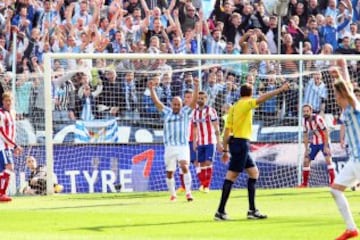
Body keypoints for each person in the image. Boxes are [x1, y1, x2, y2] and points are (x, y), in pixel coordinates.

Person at [214, 82, 290, 220]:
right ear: (250, 93)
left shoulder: (234, 107)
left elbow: (227, 130)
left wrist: (225, 149)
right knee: (231, 177)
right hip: (241, 143)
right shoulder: (246, 103)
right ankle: (220, 211)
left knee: (254, 173)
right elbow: (262, 99)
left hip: (236, 143)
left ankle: (252, 210)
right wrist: (280, 90)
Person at [149, 77, 199, 202]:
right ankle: (173, 194)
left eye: (178, 104)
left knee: (184, 166)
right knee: (170, 172)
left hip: (182, 146)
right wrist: (151, 89)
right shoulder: (167, 112)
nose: (176, 106)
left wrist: (197, 87)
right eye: (175, 104)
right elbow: (157, 103)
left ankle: (188, 193)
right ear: (172, 104)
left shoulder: (186, 112)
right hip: (170, 146)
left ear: (182, 105)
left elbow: (193, 103)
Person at [330, 71, 359, 240]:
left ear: (342, 95)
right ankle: (351, 229)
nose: (335, 97)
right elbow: (346, 84)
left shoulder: (356, 107)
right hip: (354, 160)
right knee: (335, 190)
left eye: (336, 94)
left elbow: (349, 92)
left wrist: (340, 76)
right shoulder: (347, 110)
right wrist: (339, 73)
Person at [192, 91, 222, 193]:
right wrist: (195, 142)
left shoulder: (211, 111)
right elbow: (195, 128)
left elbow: (216, 126)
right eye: (199, 98)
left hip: (210, 140)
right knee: (201, 164)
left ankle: (206, 186)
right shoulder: (195, 112)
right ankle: (203, 185)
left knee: (208, 162)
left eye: (202, 98)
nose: (200, 100)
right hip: (200, 141)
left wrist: (218, 142)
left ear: (206, 99)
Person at [299, 104, 335, 187]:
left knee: (328, 160)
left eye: (307, 111)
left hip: (323, 142)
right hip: (314, 143)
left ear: (311, 111)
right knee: (306, 161)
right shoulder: (303, 121)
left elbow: (326, 132)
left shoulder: (318, 118)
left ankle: (332, 182)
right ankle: (304, 184)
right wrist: (306, 149)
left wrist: (326, 146)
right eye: (304, 111)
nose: (305, 113)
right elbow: (305, 135)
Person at [0, 92, 23, 201]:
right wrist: (14, 145)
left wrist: (13, 145)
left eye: (10, 100)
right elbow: (1, 133)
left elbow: (12, 132)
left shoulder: (13, 113)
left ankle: (1, 194)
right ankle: (2, 194)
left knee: (5, 170)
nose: (8, 103)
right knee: (9, 168)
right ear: (3, 101)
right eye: (6, 100)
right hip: (2, 146)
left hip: (8, 146)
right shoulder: (1, 114)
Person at [177, 89, 198, 193]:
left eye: (191, 97)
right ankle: (183, 186)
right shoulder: (181, 111)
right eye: (187, 97)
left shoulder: (198, 110)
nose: (188, 99)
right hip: (183, 142)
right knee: (182, 164)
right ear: (184, 99)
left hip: (196, 140)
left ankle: (203, 185)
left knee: (197, 162)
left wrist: (196, 140)